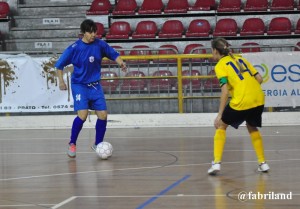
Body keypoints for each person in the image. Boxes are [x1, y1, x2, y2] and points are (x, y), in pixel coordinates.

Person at [55, 19, 127, 158]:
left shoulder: (100, 44)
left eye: (95, 32)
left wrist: (121, 63)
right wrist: (61, 81)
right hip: (79, 85)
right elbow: (59, 66)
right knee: (82, 115)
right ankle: (72, 143)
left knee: (103, 115)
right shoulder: (74, 48)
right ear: (83, 33)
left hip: (95, 85)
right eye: (90, 32)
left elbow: (114, 54)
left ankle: (98, 143)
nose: (93, 34)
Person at [207, 37, 270, 175]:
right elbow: (259, 79)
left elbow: (225, 91)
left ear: (216, 51)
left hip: (242, 100)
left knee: (221, 126)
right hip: (258, 98)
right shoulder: (241, 59)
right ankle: (263, 163)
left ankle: (216, 163)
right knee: (252, 127)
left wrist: (219, 115)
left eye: (212, 51)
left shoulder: (220, 66)